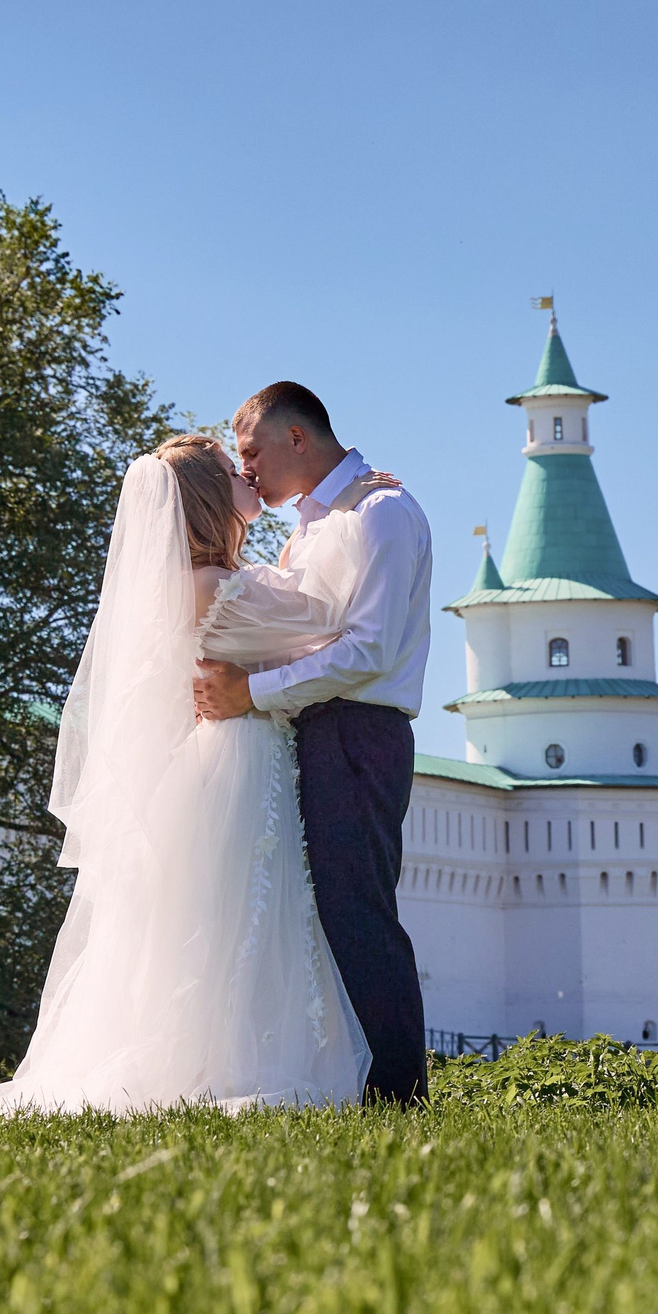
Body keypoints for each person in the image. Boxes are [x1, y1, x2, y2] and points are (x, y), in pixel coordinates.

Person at [0, 434, 373, 1114]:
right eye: (230, 470)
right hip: (238, 758)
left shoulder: (192, 584)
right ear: (210, 499)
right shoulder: (214, 588)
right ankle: (235, 1063)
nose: (247, 473)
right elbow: (329, 624)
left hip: (213, 760)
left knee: (218, 918)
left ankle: (219, 1057)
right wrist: (343, 513)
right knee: (246, 913)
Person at [191, 382, 434, 1103]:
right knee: (316, 912)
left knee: (357, 909)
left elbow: (368, 652)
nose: (249, 470)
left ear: (297, 438)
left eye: (252, 452)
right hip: (308, 728)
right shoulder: (315, 524)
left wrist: (248, 693)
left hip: (358, 729)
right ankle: (341, 1081)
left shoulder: (381, 513)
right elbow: (294, 622)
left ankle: (398, 1095)